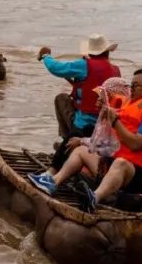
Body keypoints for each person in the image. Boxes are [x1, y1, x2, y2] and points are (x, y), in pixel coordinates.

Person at [29, 68, 142, 211]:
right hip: (117, 164)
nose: (131, 89)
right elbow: (110, 141)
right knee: (81, 150)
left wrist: (114, 121)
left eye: (135, 86)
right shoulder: (129, 107)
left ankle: (94, 198)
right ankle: (53, 182)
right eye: (131, 85)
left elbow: (135, 144)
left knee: (120, 163)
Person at [38, 34, 121, 169]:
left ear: (89, 52)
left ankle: (67, 139)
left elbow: (56, 68)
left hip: (84, 125)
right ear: (107, 52)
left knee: (61, 98)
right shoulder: (115, 70)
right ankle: (69, 140)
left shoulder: (83, 65)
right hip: (106, 126)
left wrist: (45, 56)